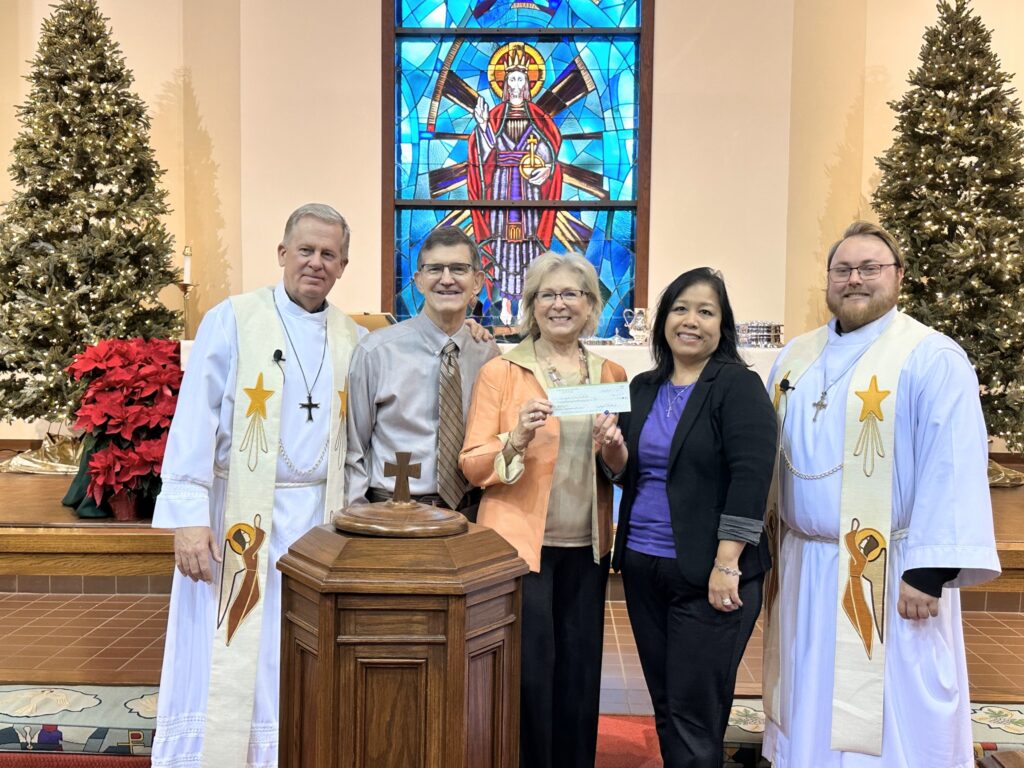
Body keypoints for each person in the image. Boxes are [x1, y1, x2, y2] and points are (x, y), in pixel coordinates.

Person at [761, 221, 1001, 767]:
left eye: (870, 268)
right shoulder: (797, 356)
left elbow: (954, 463)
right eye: (843, 270)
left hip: (888, 568)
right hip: (803, 563)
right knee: (810, 692)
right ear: (828, 280)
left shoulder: (929, 355)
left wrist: (930, 570)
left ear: (897, 278)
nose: (855, 280)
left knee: (894, 710)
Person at [150, 204, 362, 768]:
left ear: (343, 265)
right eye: (306, 250)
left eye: (329, 255)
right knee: (232, 652)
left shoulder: (353, 337)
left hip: (320, 521)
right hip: (237, 518)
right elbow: (193, 420)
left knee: (297, 652)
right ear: (282, 253)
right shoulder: (233, 318)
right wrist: (189, 520)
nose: (316, 263)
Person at [599, 268, 777, 768]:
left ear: (723, 325)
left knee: (695, 708)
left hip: (710, 571)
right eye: (680, 309)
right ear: (662, 321)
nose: (691, 321)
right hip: (644, 565)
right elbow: (624, 473)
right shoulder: (643, 387)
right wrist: (612, 452)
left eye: (706, 311)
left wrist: (727, 563)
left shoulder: (737, 386)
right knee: (665, 700)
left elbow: (751, 476)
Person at [460, 252, 626, 768]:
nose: (559, 304)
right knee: (530, 672)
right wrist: (516, 437)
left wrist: (612, 445)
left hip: (587, 544)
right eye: (548, 295)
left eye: (571, 294)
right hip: (519, 547)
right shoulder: (503, 371)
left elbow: (620, 467)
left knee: (579, 672)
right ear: (532, 306)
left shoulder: (610, 371)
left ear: (590, 306)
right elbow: (472, 463)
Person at [345, 226, 500, 514]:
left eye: (458, 269)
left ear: (477, 281)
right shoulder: (377, 351)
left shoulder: (488, 355)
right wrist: (357, 517)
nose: (446, 279)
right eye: (434, 269)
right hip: (393, 508)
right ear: (418, 280)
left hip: (470, 513)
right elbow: (354, 449)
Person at [468, 44, 562, 325]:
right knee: (502, 244)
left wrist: (543, 169)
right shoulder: (495, 116)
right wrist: (483, 125)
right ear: (505, 84)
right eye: (512, 79)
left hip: (529, 190)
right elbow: (483, 154)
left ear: (528, 83)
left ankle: (524, 301)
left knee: (526, 244)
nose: (517, 84)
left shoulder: (538, 118)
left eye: (521, 78)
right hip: (500, 188)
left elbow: (551, 149)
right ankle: (505, 303)